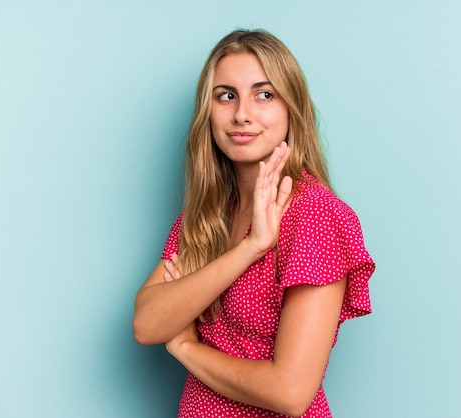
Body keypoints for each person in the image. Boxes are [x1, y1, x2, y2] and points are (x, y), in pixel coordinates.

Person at [133, 29, 375, 418]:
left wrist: (186, 347)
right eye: (226, 95)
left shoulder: (314, 215)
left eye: (264, 94)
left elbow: (291, 392)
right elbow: (146, 324)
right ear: (207, 112)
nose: (242, 114)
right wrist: (250, 248)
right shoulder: (209, 212)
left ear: (291, 108)